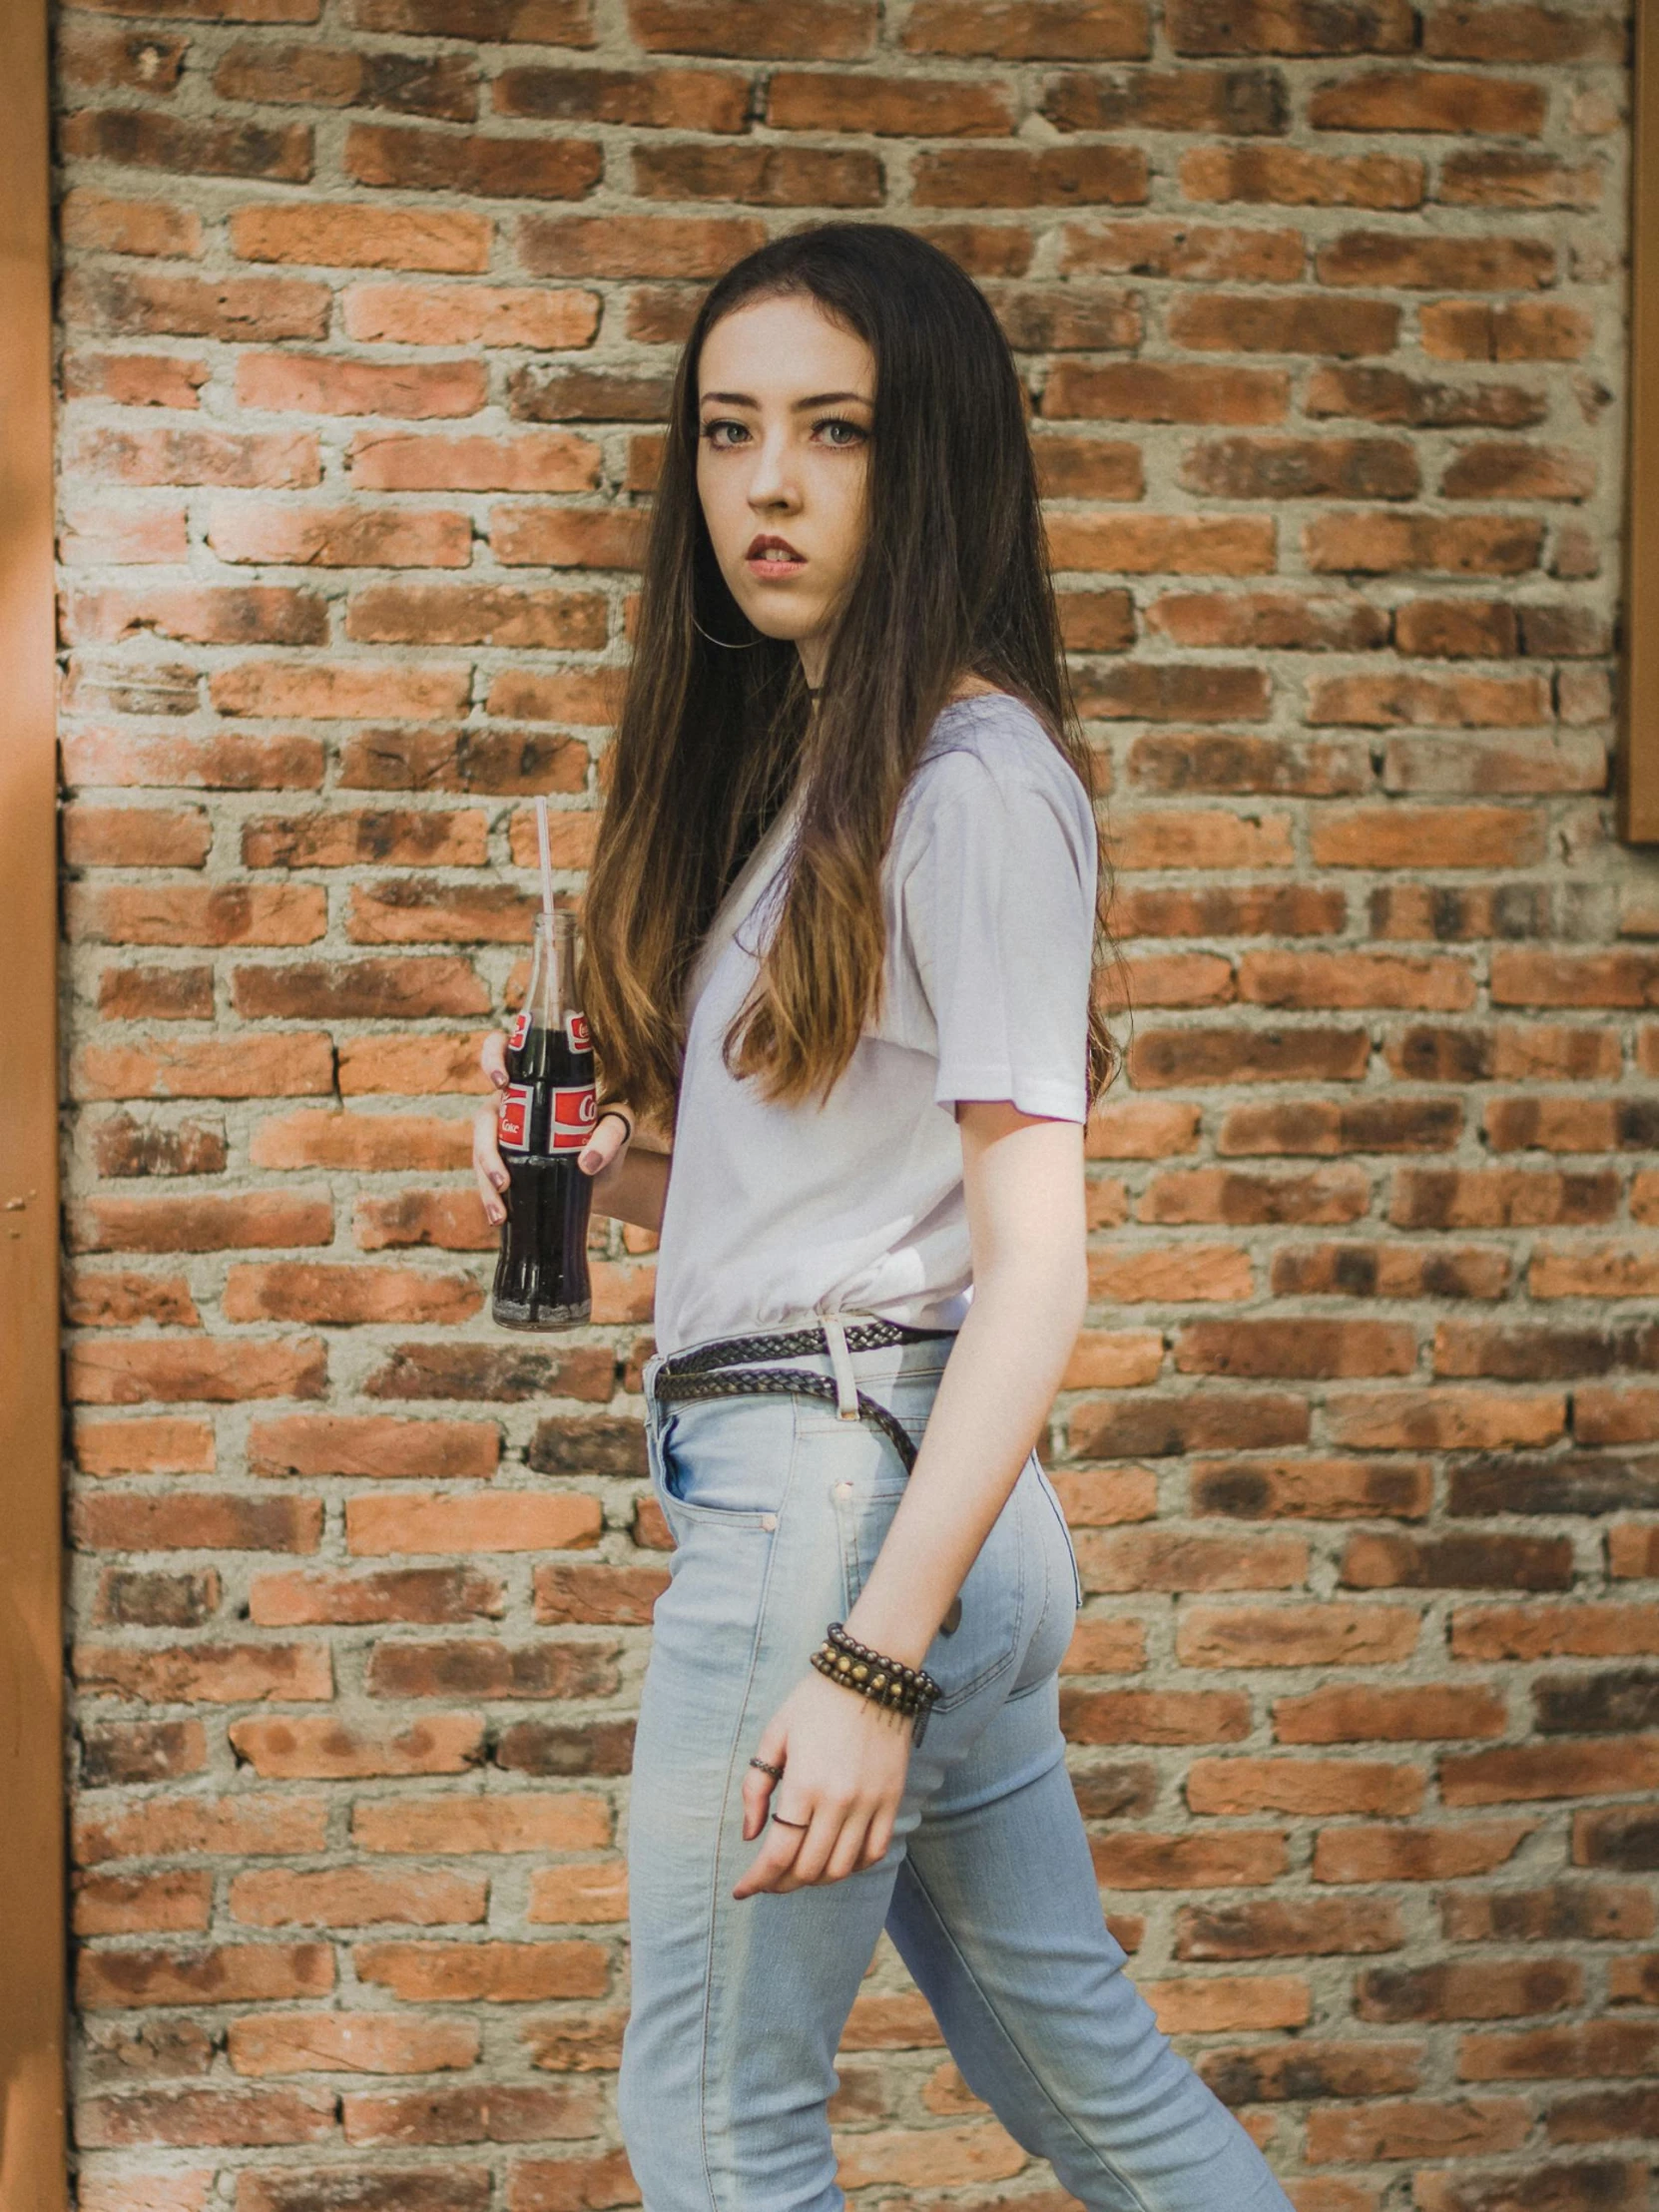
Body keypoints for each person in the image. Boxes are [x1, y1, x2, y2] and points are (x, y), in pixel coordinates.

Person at [473, 223, 1292, 2212]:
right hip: (910, 1489)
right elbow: (872, 1190)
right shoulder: (841, 762)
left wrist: (864, 1665)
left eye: (832, 432)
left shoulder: (972, 781)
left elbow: (1040, 1262)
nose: (766, 482)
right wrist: (630, 1177)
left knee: (718, 2125)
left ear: (927, 462)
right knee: (1082, 2081)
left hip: (842, 1507)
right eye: (730, 430)